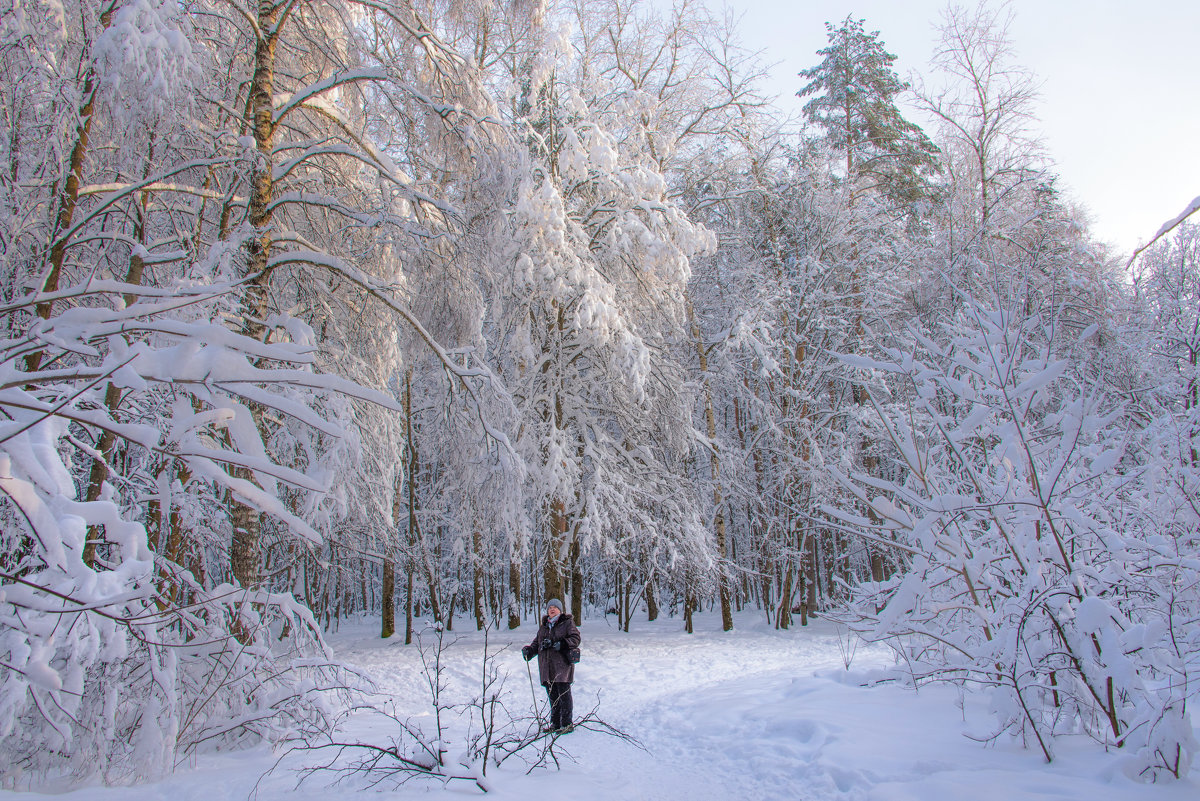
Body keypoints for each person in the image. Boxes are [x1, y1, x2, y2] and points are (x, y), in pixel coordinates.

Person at [521, 598, 580, 733]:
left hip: (562, 666)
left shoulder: (567, 623)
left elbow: (576, 638)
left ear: (560, 610)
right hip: (547, 667)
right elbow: (536, 643)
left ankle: (566, 724)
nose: (552, 609)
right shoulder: (544, 626)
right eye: (550, 608)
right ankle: (555, 724)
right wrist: (529, 651)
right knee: (552, 696)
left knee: (563, 695)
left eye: (555, 607)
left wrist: (563, 643)